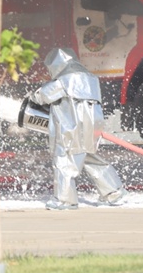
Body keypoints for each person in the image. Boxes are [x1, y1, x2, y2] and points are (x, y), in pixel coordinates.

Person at [29, 47, 127, 210]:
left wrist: (32, 97)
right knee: (89, 157)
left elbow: (43, 96)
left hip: (72, 126)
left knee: (64, 159)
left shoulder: (65, 79)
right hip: (92, 126)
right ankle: (114, 193)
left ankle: (65, 200)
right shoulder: (90, 77)